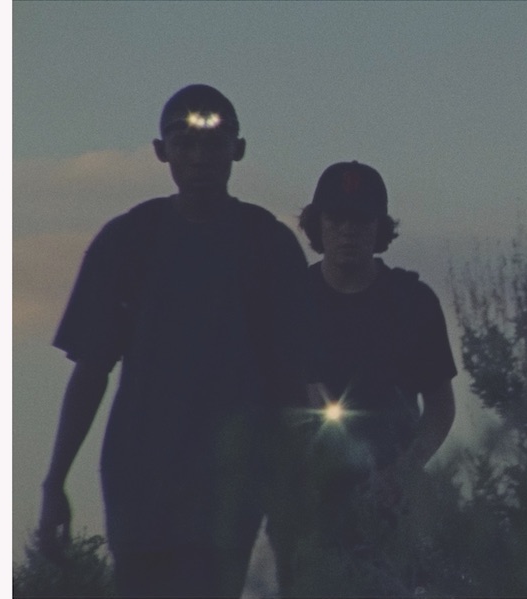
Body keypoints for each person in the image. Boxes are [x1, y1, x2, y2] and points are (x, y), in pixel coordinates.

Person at [38, 84, 320, 598]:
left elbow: (293, 380)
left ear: (237, 149)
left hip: (232, 481)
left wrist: (294, 489)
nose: (199, 157)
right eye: (184, 143)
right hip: (139, 477)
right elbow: (91, 369)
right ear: (160, 151)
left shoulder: (267, 244)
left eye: (213, 143)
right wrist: (55, 480)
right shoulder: (129, 240)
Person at [267, 161, 457, 597]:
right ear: (318, 225)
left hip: (390, 508)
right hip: (306, 507)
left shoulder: (412, 303)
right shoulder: (289, 300)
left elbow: (441, 406)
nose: (348, 231)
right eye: (336, 220)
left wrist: (404, 471)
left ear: (379, 228)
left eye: (361, 220)